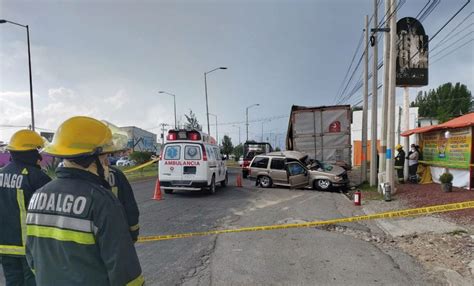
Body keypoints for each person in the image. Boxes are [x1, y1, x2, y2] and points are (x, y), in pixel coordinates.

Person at [25, 116, 144, 286]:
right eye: (105, 159)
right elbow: (126, 272)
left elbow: (32, 256)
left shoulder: (37, 196)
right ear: (91, 160)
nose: (107, 165)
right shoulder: (101, 200)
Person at [0, 130, 51, 286]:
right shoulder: (36, 176)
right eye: (36, 151)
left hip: (4, 245)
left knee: (13, 282)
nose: (39, 157)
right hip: (30, 247)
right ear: (29, 152)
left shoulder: (1, 174)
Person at [106, 162, 140, 242]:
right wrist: (134, 233)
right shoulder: (116, 174)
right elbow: (130, 205)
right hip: (116, 234)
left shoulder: (72, 178)